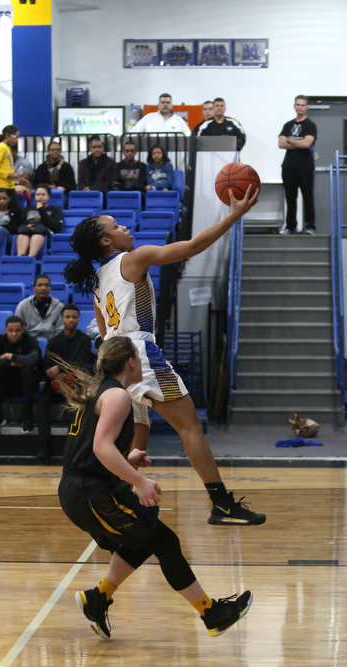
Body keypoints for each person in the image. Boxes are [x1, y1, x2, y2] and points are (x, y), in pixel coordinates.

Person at [63, 188, 266, 526]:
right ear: (105, 241)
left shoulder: (97, 281)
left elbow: (103, 332)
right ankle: (223, 505)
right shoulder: (134, 258)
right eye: (115, 225)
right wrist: (234, 215)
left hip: (113, 360)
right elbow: (192, 248)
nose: (124, 227)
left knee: (137, 432)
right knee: (190, 427)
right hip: (138, 353)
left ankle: (123, 499)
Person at [58, 336, 253, 640]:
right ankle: (211, 613)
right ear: (132, 362)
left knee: (146, 538)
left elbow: (91, 446)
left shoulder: (101, 390)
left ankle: (98, 598)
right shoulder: (118, 396)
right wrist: (140, 481)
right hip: (90, 491)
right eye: (139, 355)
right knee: (165, 542)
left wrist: (128, 457)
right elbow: (99, 447)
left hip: (81, 487)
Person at [36, 303, 93, 459]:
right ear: (62, 320)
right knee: (42, 402)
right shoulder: (54, 341)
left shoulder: (84, 340)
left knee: (77, 405)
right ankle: (45, 446)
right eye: (67, 317)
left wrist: (60, 368)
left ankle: (72, 447)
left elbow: (80, 363)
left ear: (78, 319)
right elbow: (47, 366)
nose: (71, 320)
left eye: (74, 317)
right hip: (56, 385)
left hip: (76, 385)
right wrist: (56, 376)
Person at [0, 315, 40, 434]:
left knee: (28, 371)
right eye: (10, 330)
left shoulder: (30, 340)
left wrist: (9, 356)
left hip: (26, 385)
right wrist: (15, 363)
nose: (14, 334)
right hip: (5, 385)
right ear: (5, 330)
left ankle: (27, 416)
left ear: (23, 330)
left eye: (17, 330)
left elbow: (33, 360)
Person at [279, 94, 318, 235]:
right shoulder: (288, 125)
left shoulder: (310, 125)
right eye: (298, 105)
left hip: (305, 166)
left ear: (306, 107)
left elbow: (307, 143)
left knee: (307, 196)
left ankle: (309, 226)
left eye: (303, 105)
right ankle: (291, 226)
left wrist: (290, 139)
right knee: (290, 198)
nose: (300, 107)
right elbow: (281, 144)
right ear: (294, 106)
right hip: (288, 167)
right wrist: (299, 143)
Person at [15, 274, 64, 341]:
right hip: (28, 343)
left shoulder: (59, 306)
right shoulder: (23, 305)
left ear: (50, 288)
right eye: (40, 285)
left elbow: (61, 329)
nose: (43, 288)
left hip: (52, 344)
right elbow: (18, 327)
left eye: (46, 285)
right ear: (34, 288)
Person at [17, 185, 62, 257]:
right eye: (38, 195)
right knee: (23, 228)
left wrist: (41, 210)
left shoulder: (55, 210)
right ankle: (21, 256)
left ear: (48, 196)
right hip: (28, 231)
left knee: (39, 228)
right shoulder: (27, 209)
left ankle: (30, 257)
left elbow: (57, 227)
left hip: (45, 233)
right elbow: (20, 223)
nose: (40, 197)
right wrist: (28, 225)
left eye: (43, 195)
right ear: (34, 196)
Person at [0, 125, 27, 193]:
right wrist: (11, 175)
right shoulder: (2, 148)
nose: (17, 140)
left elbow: (6, 168)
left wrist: (17, 178)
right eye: (16, 137)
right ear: (7, 135)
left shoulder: (7, 148)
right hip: (1, 186)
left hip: (8, 185)